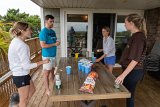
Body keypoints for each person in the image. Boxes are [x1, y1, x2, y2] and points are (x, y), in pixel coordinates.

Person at [8, 21, 49, 107]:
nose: (31, 31)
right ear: (22, 31)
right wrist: (43, 62)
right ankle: (21, 104)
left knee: (32, 90)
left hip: (23, 74)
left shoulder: (15, 41)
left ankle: (19, 105)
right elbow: (26, 66)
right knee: (24, 100)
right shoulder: (21, 45)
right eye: (29, 29)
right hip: (20, 75)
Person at [115, 13, 147, 107]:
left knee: (130, 95)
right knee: (129, 94)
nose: (124, 25)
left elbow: (135, 60)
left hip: (133, 72)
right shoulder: (135, 36)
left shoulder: (138, 37)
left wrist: (122, 76)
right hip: (130, 71)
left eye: (125, 22)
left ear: (131, 23)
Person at [39, 15, 60, 96]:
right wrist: (55, 44)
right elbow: (43, 45)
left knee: (52, 71)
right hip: (47, 56)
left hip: (53, 55)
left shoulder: (52, 31)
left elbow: (53, 42)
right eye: (51, 21)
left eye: (53, 21)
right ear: (46, 21)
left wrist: (56, 43)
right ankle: (47, 90)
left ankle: (54, 85)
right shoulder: (43, 32)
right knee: (46, 74)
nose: (52, 23)